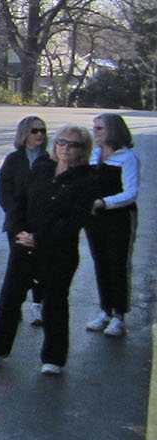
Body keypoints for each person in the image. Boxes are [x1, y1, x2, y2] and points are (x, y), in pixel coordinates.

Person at [0, 125, 100, 374]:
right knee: (10, 297)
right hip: (24, 244)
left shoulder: (87, 179)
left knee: (55, 301)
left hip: (58, 250)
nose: (65, 148)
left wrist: (39, 238)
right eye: (61, 142)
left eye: (73, 145)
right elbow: (19, 201)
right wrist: (19, 232)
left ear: (83, 150)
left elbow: (75, 219)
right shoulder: (42, 168)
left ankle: (53, 358)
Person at [84, 113, 141, 338]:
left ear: (113, 131)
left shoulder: (127, 158)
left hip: (119, 218)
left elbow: (131, 193)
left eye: (100, 128)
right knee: (100, 262)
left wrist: (104, 203)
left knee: (118, 264)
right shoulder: (95, 154)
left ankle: (119, 316)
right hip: (95, 218)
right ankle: (105, 311)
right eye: (94, 127)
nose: (95, 132)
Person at [0, 116, 49, 327]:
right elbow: (4, 191)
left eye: (43, 131)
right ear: (25, 134)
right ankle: (13, 307)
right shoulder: (14, 159)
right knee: (17, 267)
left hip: (41, 224)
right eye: (35, 131)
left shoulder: (50, 160)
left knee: (40, 266)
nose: (40, 135)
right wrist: (14, 217)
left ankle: (38, 305)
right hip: (17, 223)